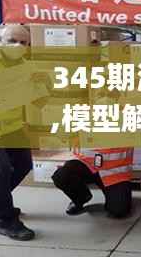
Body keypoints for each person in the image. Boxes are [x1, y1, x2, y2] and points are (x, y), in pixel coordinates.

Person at [52, 90, 134, 218]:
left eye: (110, 95)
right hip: (86, 165)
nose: (105, 99)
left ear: (118, 97)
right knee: (61, 176)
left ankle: (116, 197)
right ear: (94, 97)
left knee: (118, 211)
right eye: (101, 95)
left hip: (114, 172)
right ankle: (81, 198)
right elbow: (61, 134)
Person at [0, 25, 36, 241]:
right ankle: (4, 219)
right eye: (12, 41)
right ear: (0, 41)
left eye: (23, 43)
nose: (18, 46)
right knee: (1, 170)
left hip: (11, 126)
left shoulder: (24, 66)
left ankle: (0, 202)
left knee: (24, 164)